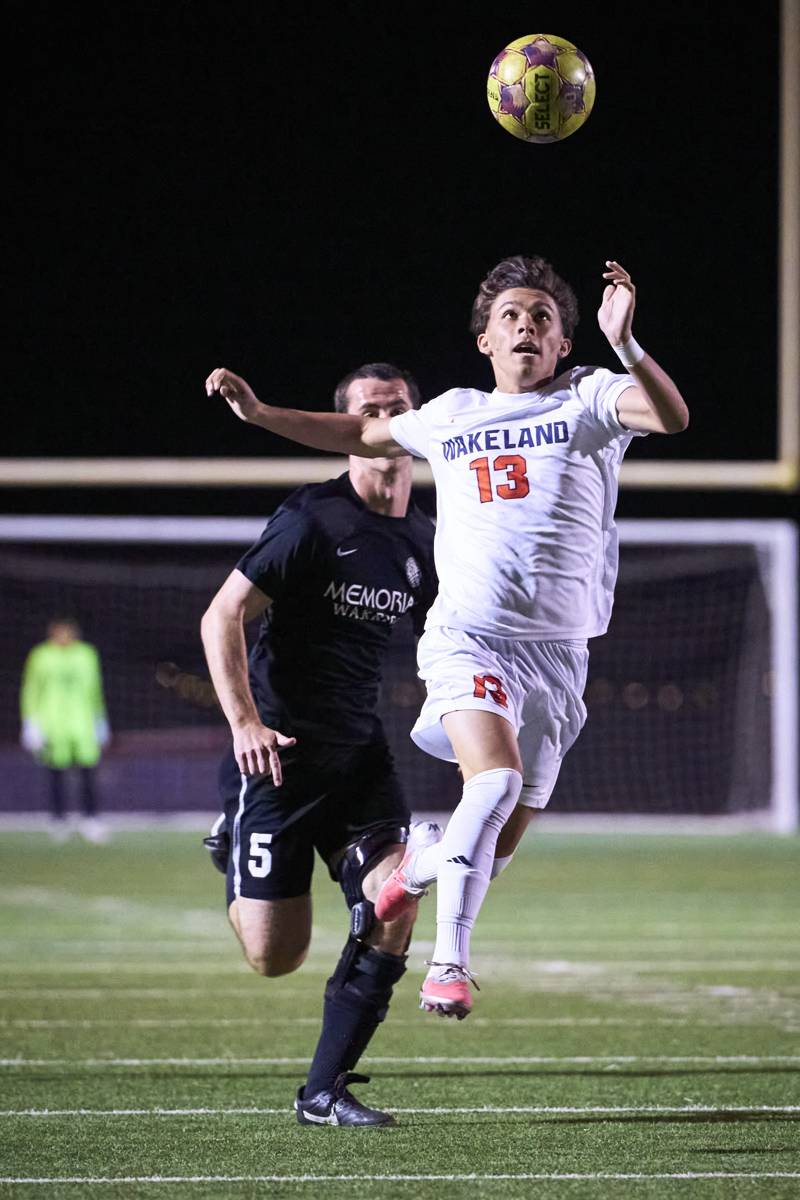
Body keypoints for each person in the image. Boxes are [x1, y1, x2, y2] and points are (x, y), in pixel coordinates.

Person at [205, 257, 690, 1022]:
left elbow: (670, 417)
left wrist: (625, 342)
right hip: (470, 639)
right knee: (491, 785)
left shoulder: (590, 395)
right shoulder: (454, 414)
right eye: (510, 316)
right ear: (484, 341)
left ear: (563, 343)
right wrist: (262, 414)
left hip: (560, 657)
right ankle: (449, 966)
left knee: (492, 848)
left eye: (542, 317)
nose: (526, 325)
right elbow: (360, 432)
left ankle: (419, 865)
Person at [200, 362, 440, 1127]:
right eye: (368, 410)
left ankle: (323, 1092)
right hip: (279, 757)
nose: (384, 419)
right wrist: (245, 723)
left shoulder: (426, 539)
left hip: (360, 757)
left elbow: (446, 641)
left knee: (396, 904)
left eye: (397, 407)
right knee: (276, 957)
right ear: (346, 429)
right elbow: (222, 616)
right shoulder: (313, 519)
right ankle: (233, 835)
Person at [20, 617, 111, 842]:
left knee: (88, 773)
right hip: (53, 725)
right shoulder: (41, 655)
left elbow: (95, 689)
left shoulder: (86, 654)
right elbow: (31, 689)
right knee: (56, 774)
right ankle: (58, 819)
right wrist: (30, 722)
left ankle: (91, 819)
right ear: (52, 633)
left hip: (83, 723)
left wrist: (100, 719)